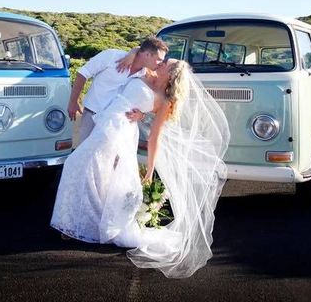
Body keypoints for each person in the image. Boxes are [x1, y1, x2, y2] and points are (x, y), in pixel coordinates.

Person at [51, 59, 230, 278]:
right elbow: (141, 51)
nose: (161, 63)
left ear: (172, 74)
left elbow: (155, 137)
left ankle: (74, 224)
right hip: (107, 124)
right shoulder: (146, 71)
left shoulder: (165, 101)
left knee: (79, 165)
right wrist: (134, 54)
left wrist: (150, 166)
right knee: (91, 171)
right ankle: (80, 223)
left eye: (166, 63)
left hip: (119, 134)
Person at [67, 36, 168, 146]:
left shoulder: (146, 74)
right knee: (84, 154)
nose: (160, 63)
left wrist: (141, 115)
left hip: (116, 122)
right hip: (92, 115)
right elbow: (83, 73)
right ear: (147, 54)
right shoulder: (111, 56)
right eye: (159, 59)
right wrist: (73, 101)